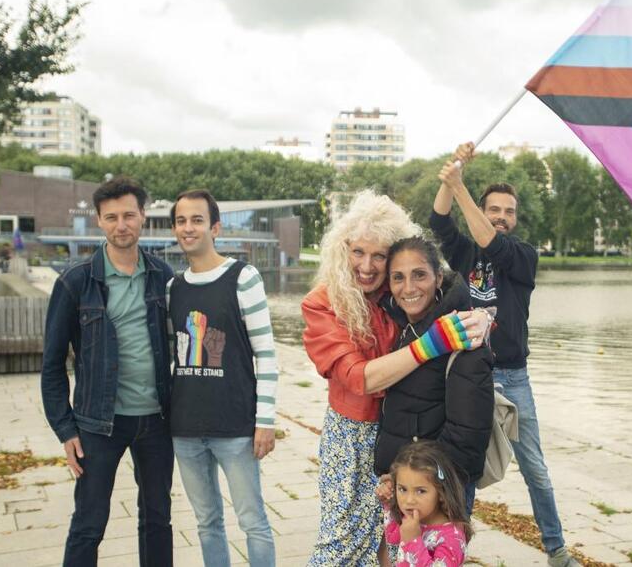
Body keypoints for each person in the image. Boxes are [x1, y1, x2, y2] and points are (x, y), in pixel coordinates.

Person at [301, 191, 490, 566]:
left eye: (378, 256)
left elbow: (437, 285)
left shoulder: (395, 295)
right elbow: (359, 378)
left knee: (391, 544)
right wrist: (431, 345)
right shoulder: (323, 302)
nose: (367, 266)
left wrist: (481, 316)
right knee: (338, 541)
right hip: (351, 434)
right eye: (358, 252)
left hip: (403, 441)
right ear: (343, 250)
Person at [431, 143, 576, 566]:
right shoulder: (464, 253)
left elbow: (491, 242)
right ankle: (455, 551)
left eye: (509, 211)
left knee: (535, 469)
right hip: (470, 376)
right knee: (464, 468)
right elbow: (438, 220)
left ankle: (556, 549)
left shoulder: (522, 255)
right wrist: (452, 175)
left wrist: (459, 188)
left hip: (513, 376)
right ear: (482, 208)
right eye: (493, 209)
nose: (501, 216)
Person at [40, 176, 174, 566]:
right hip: (98, 425)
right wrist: (65, 429)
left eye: (129, 215)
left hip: (156, 421)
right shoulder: (75, 282)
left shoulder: (163, 277)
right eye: (112, 217)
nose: (122, 225)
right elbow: (51, 366)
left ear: (143, 217)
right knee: (88, 523)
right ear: (99, 220)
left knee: (157, 520)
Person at [166, 189, 276, 567]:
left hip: (236, 427)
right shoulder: (173, 288)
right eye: (181, 221)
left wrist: (265, 422)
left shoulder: (243, 278)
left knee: (253, 521)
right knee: (206, 522)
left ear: (215, 227)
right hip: (185, 429)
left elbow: (266, 355)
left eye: (197, 220)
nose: (188, 228)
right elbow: (172, 357)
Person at [374, 236, 494, 516]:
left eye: (419, 275)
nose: (409, 288)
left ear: (439, 278)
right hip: (408, 489)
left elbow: (467, 440)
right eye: (398, 278)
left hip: (438, 496)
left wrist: (411, 479)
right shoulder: (404, 326)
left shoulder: (463, 336)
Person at [382, 440, 473, 567]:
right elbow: (392, 537)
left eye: (420, 491)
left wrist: (413, 541)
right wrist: (389, 502)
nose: (409, 500)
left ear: (441, 493)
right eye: (402, 489)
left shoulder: (452, 537)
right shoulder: (412, 519)